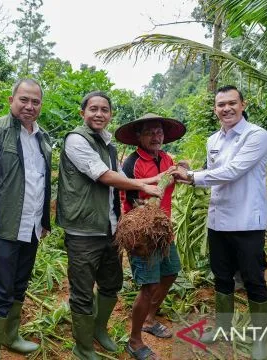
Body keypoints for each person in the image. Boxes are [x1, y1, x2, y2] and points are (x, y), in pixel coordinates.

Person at [56, 91, 163, 360]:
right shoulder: (76, 140)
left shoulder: (108, 145)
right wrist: (142, 184)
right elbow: (103, 176)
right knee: (82, 291)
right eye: (93, 109)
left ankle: (98, 330)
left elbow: (116, 189)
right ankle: (82, 348)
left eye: (105, 109)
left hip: (109, 227)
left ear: (110, 114)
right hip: (83, 229)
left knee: (111, 283)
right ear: (83, 113)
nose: (99, 114)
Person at [172, 85, 267, 360]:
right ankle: (223, 328)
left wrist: (192, 177)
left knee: (253, 279)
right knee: (222, 277)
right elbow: (212, 172)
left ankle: (260, 340)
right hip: (218, 220)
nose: (226, 109)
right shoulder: (213, 139)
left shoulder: (256, 136)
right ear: (215, 109)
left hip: (247, 221)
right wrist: (185, 171)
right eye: (220, 105)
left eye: (231, 103)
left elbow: (233, 171)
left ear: (243, 104)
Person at [0, 78, 51, 360]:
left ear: (40, 105)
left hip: (30, 228)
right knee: (0, 291)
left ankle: (10, 336)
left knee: (20, 285)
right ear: (11, 100)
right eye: (24, 100)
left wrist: (43, 220)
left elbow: (40, 182)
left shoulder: (42, 138)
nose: (29, 106)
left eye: (35, 101)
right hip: (3, 228)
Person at [115, 113, 186, 360]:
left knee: (171, 271)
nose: (156, 137)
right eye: (150, 132)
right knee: (149, 285)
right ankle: (134, 340)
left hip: (163, 229)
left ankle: (149, 318)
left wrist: (182, 170)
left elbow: (174, 180)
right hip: (141, 232)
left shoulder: (167, 158)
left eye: (159, 132)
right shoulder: (132, 162)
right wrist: (134, 226)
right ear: (139, 136)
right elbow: (124, 194)